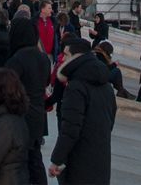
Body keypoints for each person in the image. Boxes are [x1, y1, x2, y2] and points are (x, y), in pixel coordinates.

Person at [48, 37, 117, 185]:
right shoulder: (106, 86)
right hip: (100, 160)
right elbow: (110, 121)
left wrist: (56, 160)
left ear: (76, 57)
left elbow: (70, 130)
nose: (62, 58)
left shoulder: (76, 87)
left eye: (66, 54)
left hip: (79, 163)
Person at [5, 16, 52, 185]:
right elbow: (47, 82)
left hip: (21, 115)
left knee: (20, 162)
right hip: (38, 114)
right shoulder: (43, 58)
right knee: (35, 158)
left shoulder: (16, 59)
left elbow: (7, 88)